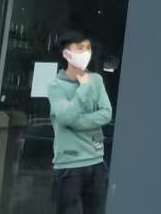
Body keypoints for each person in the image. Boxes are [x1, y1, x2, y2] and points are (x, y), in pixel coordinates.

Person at [47, 30, 113, 214]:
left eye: (88, 48)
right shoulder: (56, 86)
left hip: (96, 161)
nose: (85, 53)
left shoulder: (96, 80)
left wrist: (77, 122)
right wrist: (83, 88)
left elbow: (106, 114)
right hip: (69, 165)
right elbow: (65, 117)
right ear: (67, 54)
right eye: (80, 48)